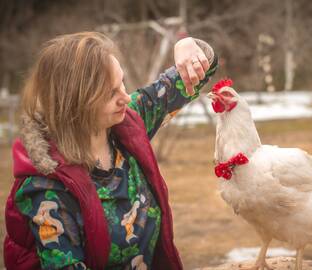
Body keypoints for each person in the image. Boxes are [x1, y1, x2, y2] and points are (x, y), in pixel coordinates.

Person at [4, 31, 218, 270]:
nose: (126, 97)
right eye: (110, 93)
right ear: (75, 102)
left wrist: (189, 47)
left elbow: (196, 73)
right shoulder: (46, 188)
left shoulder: (126, 126)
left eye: (122, 82)